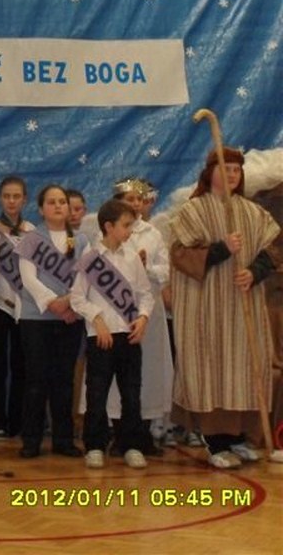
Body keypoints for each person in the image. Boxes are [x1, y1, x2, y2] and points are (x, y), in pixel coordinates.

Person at [169, 147, 280, 469]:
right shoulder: (193, 211)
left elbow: (274, 248)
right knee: (213, 372)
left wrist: (255, 272)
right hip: (207, 311)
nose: (231, 174)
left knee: (245, 370)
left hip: (243, 309)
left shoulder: (252, 211)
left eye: (236, 169)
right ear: (210, 173)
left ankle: (239, 438)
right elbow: (180, 254)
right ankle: (215, 443)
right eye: (225, 168)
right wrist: (221, 249)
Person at [70, 199, 154, 469]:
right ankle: (94, 445)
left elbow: (145, 294)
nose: (130, 230)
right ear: (108, 226)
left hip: (129, 336)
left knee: (131, 393)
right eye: (126, 225)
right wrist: (97, 320)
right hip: (101, 337)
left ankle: (131, 445)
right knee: (96, 394)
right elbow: (77, 297)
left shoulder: (132, 257)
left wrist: (143, 318)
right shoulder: (91, 259)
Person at [16, 185, 88, 459]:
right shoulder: (31, 239)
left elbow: (85, 277)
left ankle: (63, 439)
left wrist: (69, 302)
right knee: (36, 380)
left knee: (64, 380)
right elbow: (28, 278)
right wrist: (53, 303)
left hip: (70, 318)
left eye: (62, 202)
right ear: (41, 209)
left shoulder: (81, 240)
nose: (58, 206)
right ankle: (31, 440)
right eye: (51, 202)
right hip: (36, 319)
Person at [108, 178, 174, 454]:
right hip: (117, 311)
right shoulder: (109, 232)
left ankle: (143, 434)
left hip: (148, 313)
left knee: (148, 371)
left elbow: (164, 271)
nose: (135, 204)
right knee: (117, 374)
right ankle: (119, 434)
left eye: (139, 199)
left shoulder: (153, 234)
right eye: (129, 199)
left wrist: (145, 267)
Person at [0, 176, 35, 440]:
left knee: (23, 366)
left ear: (25, 200)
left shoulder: (33, 232)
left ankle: (18, 421)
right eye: (7, 196)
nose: (11, 201)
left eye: (16, 196)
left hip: (27, 307)